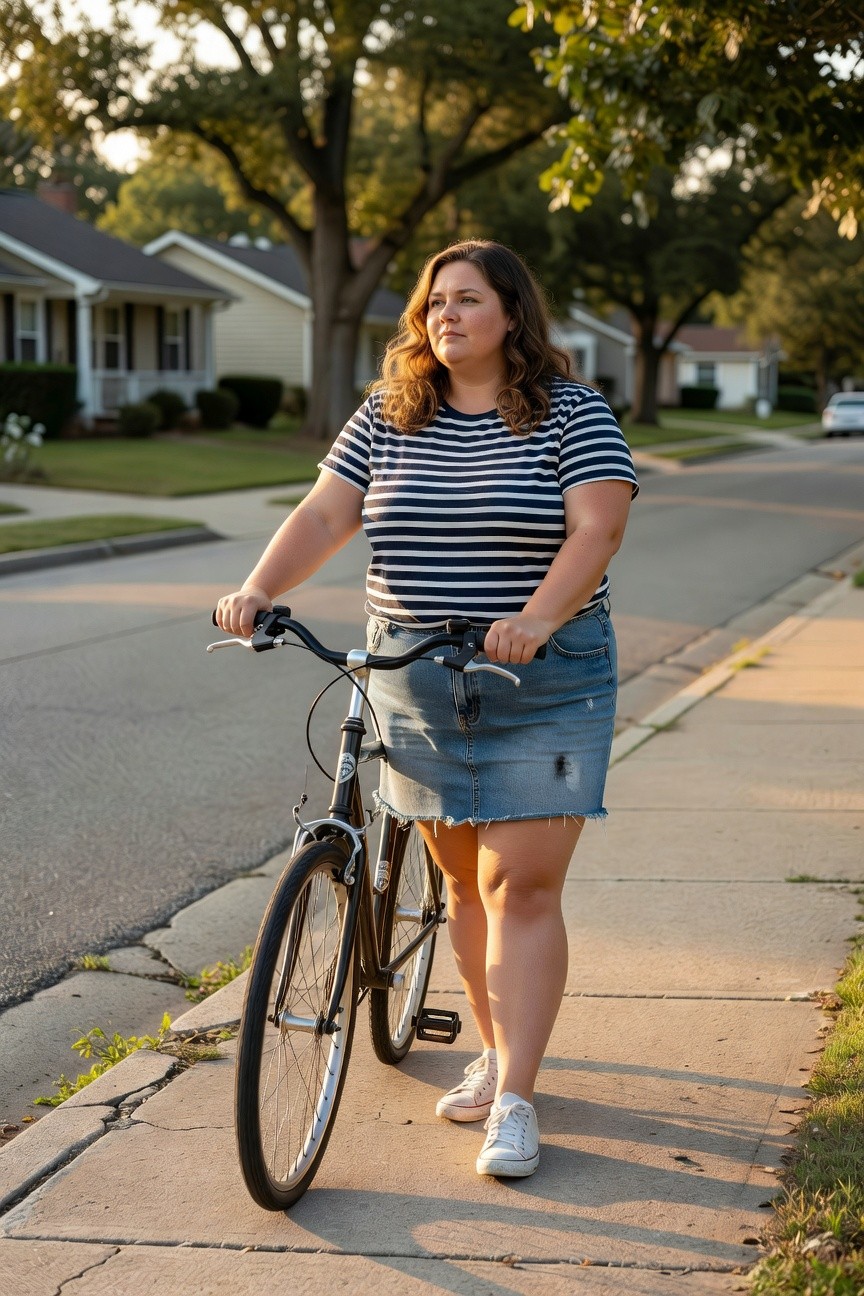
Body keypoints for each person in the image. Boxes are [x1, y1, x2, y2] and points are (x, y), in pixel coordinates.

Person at [216, 239, 638, 1179]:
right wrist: (256, 590)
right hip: (413, 671)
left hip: (545, 675)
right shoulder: (388, 414)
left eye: (468, 300)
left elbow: (598, 525)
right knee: (457, 882)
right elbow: (327, 515)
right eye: (433, 302)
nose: (444, 315)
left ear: (512, 316)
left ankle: (519, 1099)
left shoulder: (574, 413)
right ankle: (494, 1057)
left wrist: (534, 616)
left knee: (518, 886)